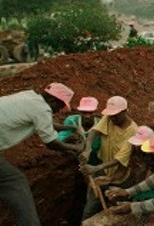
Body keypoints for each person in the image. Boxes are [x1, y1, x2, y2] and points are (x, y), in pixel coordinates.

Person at [0, 82, 83, 226]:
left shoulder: (29, 96)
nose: (60, 110)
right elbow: (50, 142)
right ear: (52, 100)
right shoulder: (42, 109)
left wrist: (71, 127)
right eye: (60, 105)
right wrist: (77, 148)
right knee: (14, 181)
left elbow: (44, 123)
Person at [79, 96, 138, 220]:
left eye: (115, 115)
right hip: (102, 170)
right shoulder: (109, 118)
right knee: (89, 211)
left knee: (117, 209)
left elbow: (119, 159)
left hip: (120, 176)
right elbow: (93, 132)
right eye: (110, 115)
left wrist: (96, 168)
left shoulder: (133, 131)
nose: (112, 118)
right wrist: (87, 151)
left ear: (125, 111)